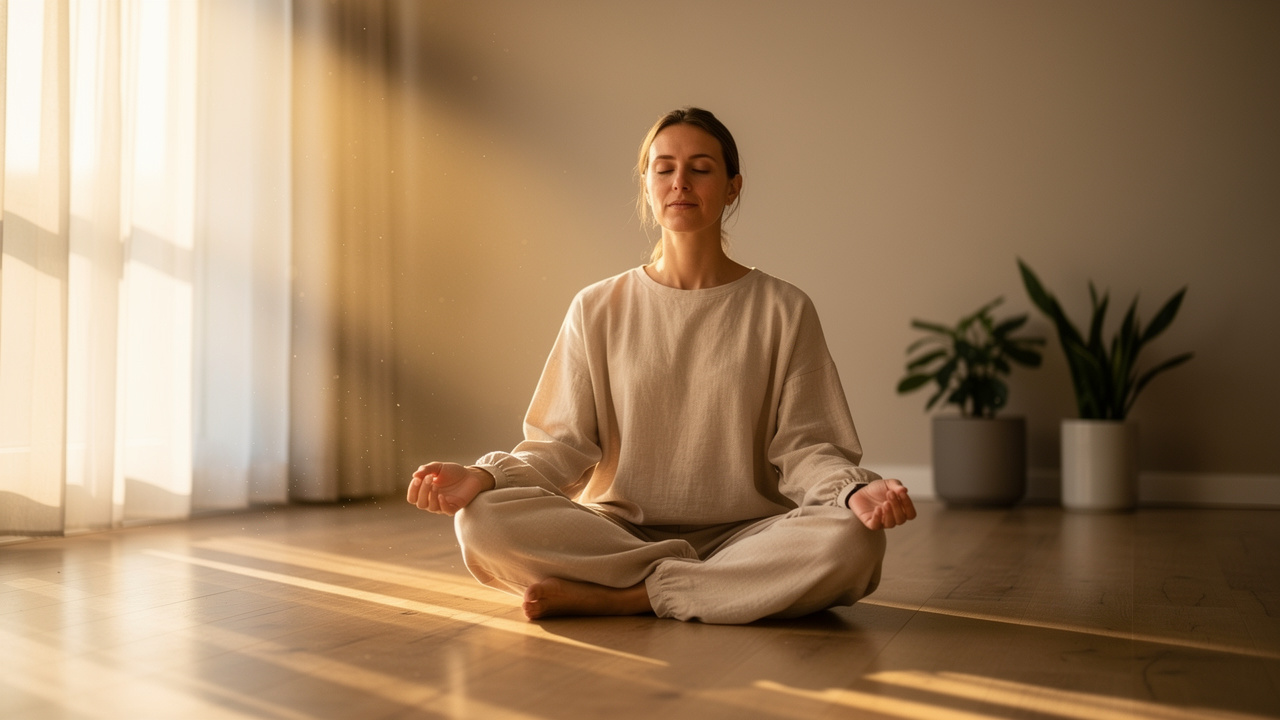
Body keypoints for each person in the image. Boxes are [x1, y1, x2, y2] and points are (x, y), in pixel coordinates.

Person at [408, 107, 916, 624]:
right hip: (618, 533)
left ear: (732, 187)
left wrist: (851, 490)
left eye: (701, 168)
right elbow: (560, 446)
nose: (681, 182)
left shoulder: (784, 309)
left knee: (856, 539)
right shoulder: (597, 306)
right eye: (664, 168)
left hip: (751, 534)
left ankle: (630, 597)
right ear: (647, 186)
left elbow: (807, 447)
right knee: (482, 522)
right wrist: (484, 476)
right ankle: (721, 588)